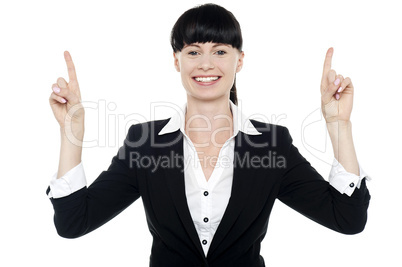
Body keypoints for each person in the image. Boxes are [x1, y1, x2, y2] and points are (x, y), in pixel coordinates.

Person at [47, 3, 370, 267]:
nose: (205, 64)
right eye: (192, 51)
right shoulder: (144, 142)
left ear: (239, 61)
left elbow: (346, 219)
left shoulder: (272, 144)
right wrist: (70, 134)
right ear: (176, 60)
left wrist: (338, 125)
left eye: (219, 51)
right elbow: (75, 223)